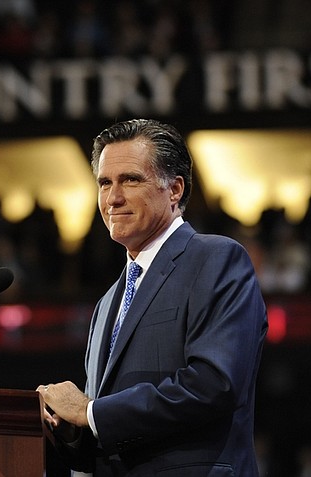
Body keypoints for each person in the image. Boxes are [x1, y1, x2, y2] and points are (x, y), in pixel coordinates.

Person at [37, 119, 267, 476]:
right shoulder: (106, 304)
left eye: (130, 180)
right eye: (104, 183)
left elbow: (213, 384)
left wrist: (91, 413)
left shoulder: (216, 259)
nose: (113, 197)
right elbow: (108, 434)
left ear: (174, 189)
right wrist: (70, 430)